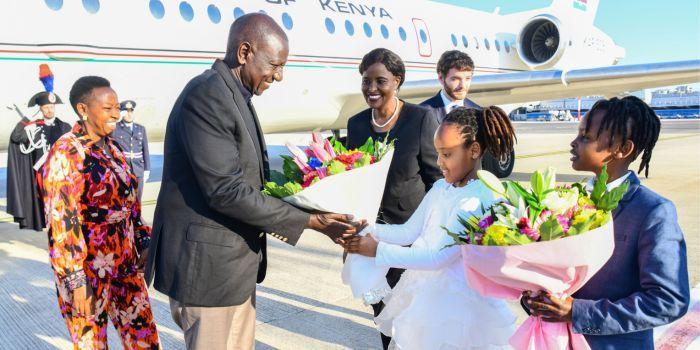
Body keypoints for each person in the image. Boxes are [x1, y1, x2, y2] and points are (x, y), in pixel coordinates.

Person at [144, 13, 357, 349]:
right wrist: (311, 221)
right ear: (244, 52)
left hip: (232, 271)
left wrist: (310, 192)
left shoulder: (234, 93)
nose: (280, 75)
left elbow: (250, 176)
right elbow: (226, 191)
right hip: (208, 274)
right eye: (274, 64)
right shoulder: (207, 96)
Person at [523, 96, 690, 349]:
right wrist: (536, 298)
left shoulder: (653, 212)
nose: (573, 143)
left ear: (622, 149)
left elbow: (668, 300)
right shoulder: (566, 200)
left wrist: (577, 312)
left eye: (585, 137)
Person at [345, 107, 517, 349]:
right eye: (438, 154)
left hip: (457, 306)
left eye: (447, 154)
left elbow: (439, 258)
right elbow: (408, 232)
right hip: (425, 292)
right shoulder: (440, 188)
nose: (439, 162)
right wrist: (367, 229)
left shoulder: (480, 199)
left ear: (474, 150)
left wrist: (377, 250)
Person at [40, 76, 160, 348]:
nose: (116, 114)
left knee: (145, 338)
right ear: (83, 110)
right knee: (92, 343)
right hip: (88, 271)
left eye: (117, 107)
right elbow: (62, 222)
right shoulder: (67, 152)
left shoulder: (114, 148)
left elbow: (131, 207)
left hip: (126, 264)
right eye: (108, 109)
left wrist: (143, 241)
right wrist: (75, 280)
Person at [345, 47, 442, 349]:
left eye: (380, 81)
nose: (371, 89)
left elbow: (437, 180)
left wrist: (433, 231)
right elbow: (350, 177)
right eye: (365, 81)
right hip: (368, 235)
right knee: (383, 313)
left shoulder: (421, 119)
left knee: (411, 314)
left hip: (409, 238)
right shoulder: (356, 124)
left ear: (397, 81)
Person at [6, 65, 71, 231]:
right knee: (49, 211)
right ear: (40, 109)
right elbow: (16, 137)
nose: (49, 110)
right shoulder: (34, 127)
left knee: (64, 211)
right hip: (42, 177)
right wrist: (28, 117)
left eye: (52, 107)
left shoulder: (65, 127)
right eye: (46, 107)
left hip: (63, 176)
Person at [420, 50, 480, 124]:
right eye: (455, 79)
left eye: (467, 78)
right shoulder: (422, 113)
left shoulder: (479, 113)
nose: (463, 85)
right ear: (441, 78)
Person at [113, 100, 151, 200]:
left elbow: (145, 150)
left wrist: (147, 169)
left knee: (138, 198)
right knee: (124, 199)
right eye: (126, 111)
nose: (129, 114)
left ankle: (137, 216)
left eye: (131, 111)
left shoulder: (140, 129)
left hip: (138, 169)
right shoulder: (115, 128)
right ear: (122, 113)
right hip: (123, 169)